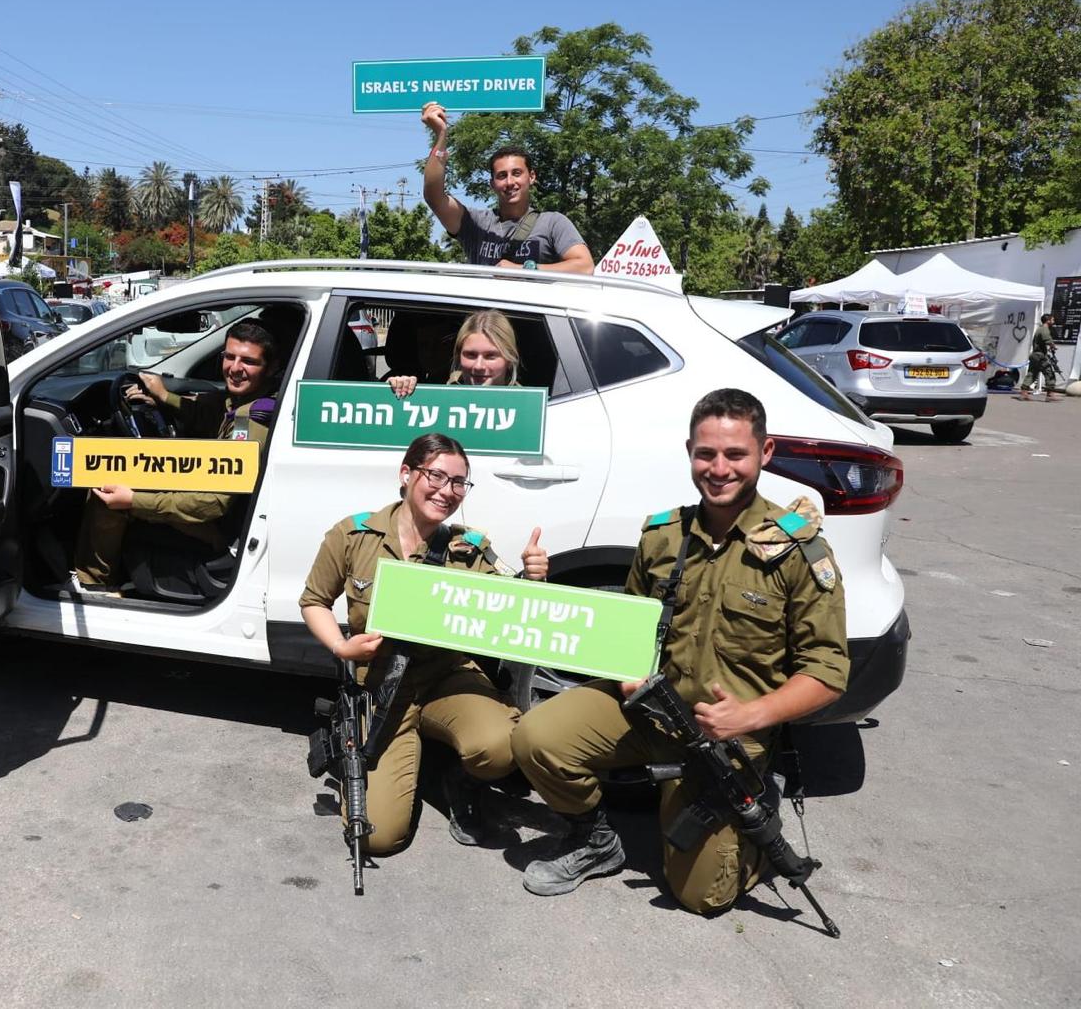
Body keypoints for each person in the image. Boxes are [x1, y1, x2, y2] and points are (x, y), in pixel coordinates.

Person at [510, 388, 848, 913]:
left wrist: (751, 715)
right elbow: (630, 625)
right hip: (652, 710)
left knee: (700, 897)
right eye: (706, 454)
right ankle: (595, 840)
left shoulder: (798, 551)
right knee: (537, 736)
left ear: (765, 452)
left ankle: (758, 808)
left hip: (726, 738)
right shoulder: (663, 536)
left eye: (735, 454)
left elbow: (828, 671)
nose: (719, 469)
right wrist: (623, 667)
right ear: (690, 451)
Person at [299, 434, 549, 854]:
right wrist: (341, 647)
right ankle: (414, 763)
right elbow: (314, 601)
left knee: (500, 746)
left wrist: (533, 579)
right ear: (406, 474)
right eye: (436, 476)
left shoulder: (469, 549)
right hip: (382, 688)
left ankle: (460, 778)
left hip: (445, 677)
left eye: (459, 482)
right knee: (377, 836)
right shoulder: (353, 535)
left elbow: (512, 610)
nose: (447, 491)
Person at [70, 320, 279, 595]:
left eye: (249, 362)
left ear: (271, 368)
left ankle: (93, 584)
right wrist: (164, 398)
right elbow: (210, 413)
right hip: (214, 507)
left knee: (106, 492)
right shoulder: (240, 401)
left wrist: (133, 500)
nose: (235, 368)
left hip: (220, 528)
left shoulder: (251, 420)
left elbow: (214, 503)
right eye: (229, 357)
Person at [421, 102, 593, 273]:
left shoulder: (553, 223)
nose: (510, 182)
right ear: (492, 184)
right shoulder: (475, 223)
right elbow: (434, 197)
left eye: (517, 173)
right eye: (502, 176)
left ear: (531, 177)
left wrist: (523, 269)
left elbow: (585, 267)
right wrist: (441, 134)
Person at [387, 308, 521, 399]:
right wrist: (399, 390)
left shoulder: (527, 405)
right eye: (471, 355)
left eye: (490, 356)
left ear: (509, 360)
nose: (478, 366)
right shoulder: (440, 393)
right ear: (458, 356)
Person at [1019, 313, 1063, 401]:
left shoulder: (1040, 329)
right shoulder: (1044, 329)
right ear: (1048, 321)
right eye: (1052, 320)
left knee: (1032, 373)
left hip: (1035, 355)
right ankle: (1050, 394)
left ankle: (1024, 393)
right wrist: (1053, 346)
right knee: (1049, 373)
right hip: (1040, 356)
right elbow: (1047, 339)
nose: (1053, 322)